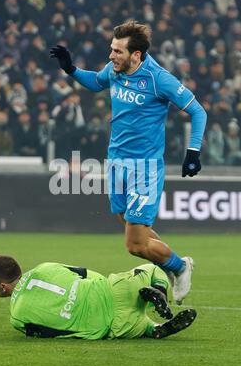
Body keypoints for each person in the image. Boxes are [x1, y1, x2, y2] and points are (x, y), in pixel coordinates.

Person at [49, 20, 207, 305]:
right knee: (133, 229)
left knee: (134, 245)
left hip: (144, 168)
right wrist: (70, 69)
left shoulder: (159, 79)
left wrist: (193, 151)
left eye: (118, 51)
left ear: (136, 55)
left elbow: (198, 111)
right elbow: (96, 82)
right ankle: (169, 265)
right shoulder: (115, 70)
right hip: (116, 163)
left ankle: (181, 267)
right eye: (112, 49)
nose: (111, 56)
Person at [0, 255, 197, 340]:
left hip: (110, 325)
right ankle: (158, 291)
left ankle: (153, 329)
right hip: (113, 289)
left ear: (2, 286)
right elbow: (86, 273)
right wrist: (102, 287)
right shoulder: (45, 267)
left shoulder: (17, 317)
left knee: (139, 327)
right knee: (151, 268)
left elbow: (55, 333)